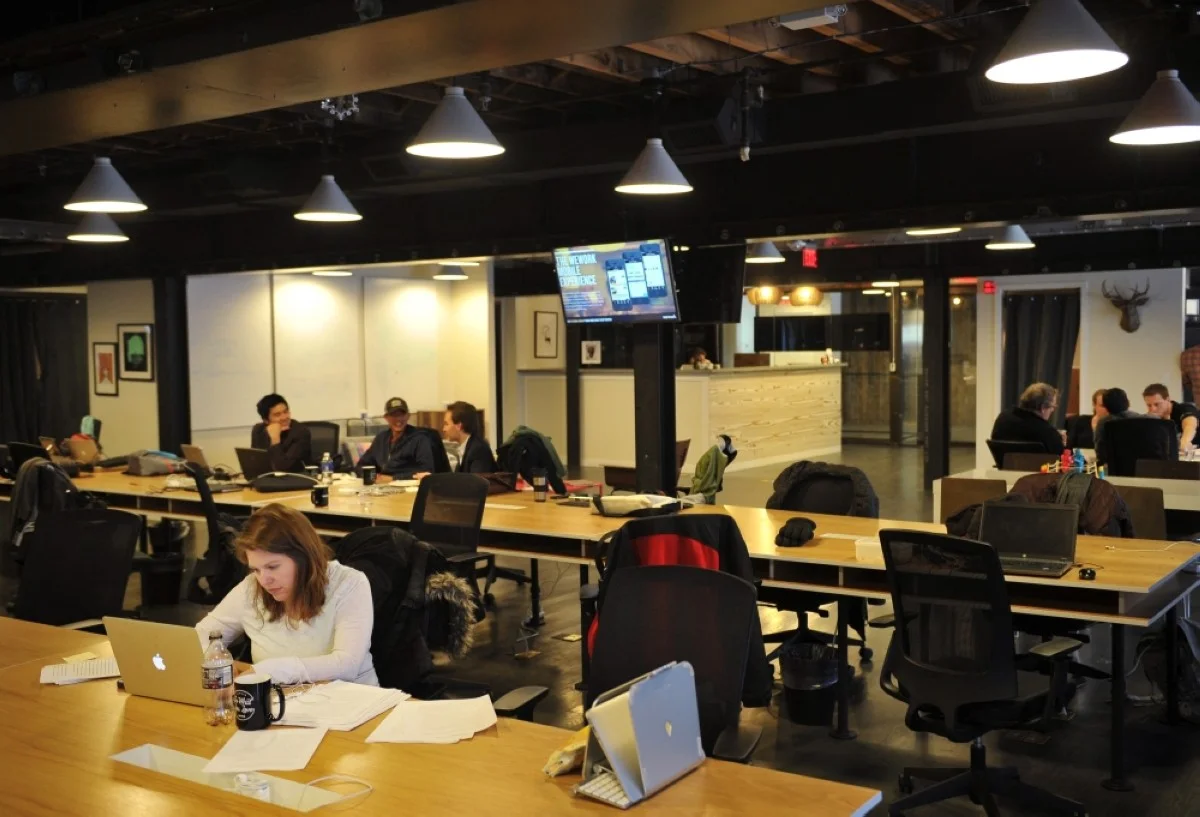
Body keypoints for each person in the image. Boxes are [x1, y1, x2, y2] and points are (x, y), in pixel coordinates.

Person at [195, 504, 377, 685]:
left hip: (351, 698)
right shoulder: (251, 588)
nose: (264, 580)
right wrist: (217, 659)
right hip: (283, 699)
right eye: (256, 569)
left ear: (303, 557)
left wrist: (271, 671)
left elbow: (347, 665)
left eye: (272, 567)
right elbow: (201, 635)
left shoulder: (349, 584)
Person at [357, 397, 436, 479]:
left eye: (402, 415)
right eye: (394, 415)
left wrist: (393, 478)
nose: (398, 419)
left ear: (408, 416)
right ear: (386, 417)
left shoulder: (419, 439)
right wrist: (374, 477)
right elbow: (361, 465)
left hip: (409, 485)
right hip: (381, 485)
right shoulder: (381, 439)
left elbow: (426, 471)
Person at [989, 382, 1065, 454]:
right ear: (1043, 408)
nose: (1053, 410)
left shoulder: (1003, 418)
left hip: (1005, 464)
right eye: (1053, 406)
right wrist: (1059, 440)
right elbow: (1060, 458)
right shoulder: (1048, 432)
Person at [250, 393, 312, 473]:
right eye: (277, 415)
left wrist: (275, 440)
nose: (284, 417)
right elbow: (255, 463)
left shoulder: (301, 432)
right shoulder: (258, 430)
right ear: (266, 420)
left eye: (286, 412)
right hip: (267, 478)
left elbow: (282, 469)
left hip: (294, 478)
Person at [443, 401, 497, 474]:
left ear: (459, 426)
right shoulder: (467, 446)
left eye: (446, 424)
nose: (444, 429)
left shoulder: (478, 450)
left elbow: (475, 480)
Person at [1142, 383, 1198, 453]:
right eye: (1149, 405)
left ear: (1168, 399)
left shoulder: (1184, 408)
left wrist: (1185, 441)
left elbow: (1190, 425)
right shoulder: (1151, 418)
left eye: (1157, 404)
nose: (1153, 409)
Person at [1093, 387, 1142, 466]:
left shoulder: (1103, 423)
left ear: (1106, 406)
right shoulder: (1140, 419)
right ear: (1128, 402)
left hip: (1113, 467)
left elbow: (1100, 451)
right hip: (1138, 466)